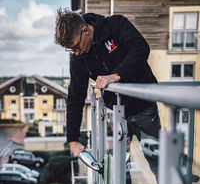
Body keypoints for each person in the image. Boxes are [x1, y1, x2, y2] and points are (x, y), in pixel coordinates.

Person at [55, 9, 161, 168]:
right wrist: (73, 139)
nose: (75, 53)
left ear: (86, 31)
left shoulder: (115, 25)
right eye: (71, 50)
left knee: (157, 162)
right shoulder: (79, 59)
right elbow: (76, 96)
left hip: (143, 108)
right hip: (118, 114)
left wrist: (117, 75)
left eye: (76, 46)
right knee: (122, 166)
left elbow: (141, 48)